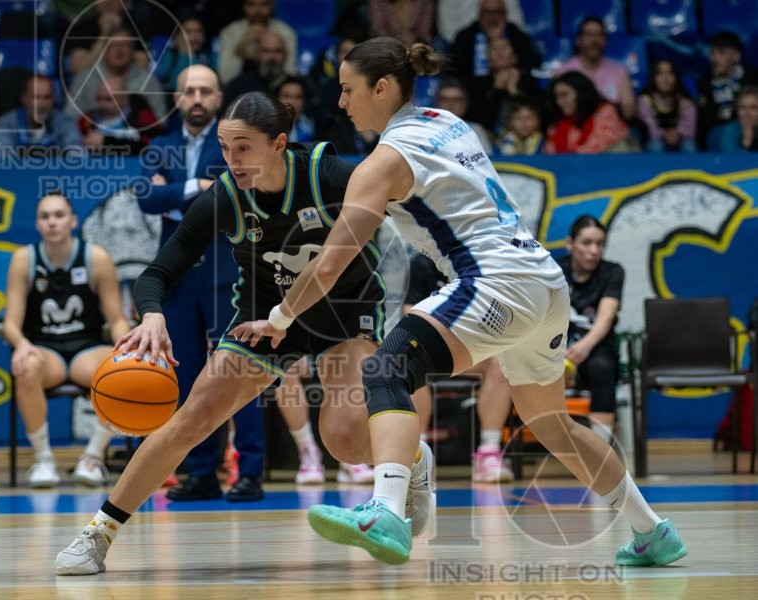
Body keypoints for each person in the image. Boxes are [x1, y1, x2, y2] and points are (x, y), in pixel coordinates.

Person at [231, 37, 687, 567]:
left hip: (494, 280)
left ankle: (386, 510)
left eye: (347, 89)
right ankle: (652, 531)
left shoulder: (381, 164)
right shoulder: (446, 120)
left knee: (386, 369)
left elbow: (330, 263)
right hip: (543, 278)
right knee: (550, 422)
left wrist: (281, 317)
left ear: (381, 88)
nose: (340, 102)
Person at [54, 91, 434, 575]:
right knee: (189, 421)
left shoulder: (328, 176)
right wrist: (152, 314)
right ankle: (98, 535)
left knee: (343, 441)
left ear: (278, 144)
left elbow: (406, 194)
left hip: (344, 316)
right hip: (264, 321)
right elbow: (157, 274)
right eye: (224, 148)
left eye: (243, 148)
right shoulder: (227, 196)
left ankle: (412, 459)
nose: (231, 160)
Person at [136, 65, 267, 502]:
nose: (195, 98)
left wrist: (173, 189)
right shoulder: (160, 146)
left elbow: (237, 190)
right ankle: (200, 473)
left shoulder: (232, 143)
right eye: (188, 90)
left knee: (240, 370)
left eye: (204, 91)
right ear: (177, 97)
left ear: (218, 98)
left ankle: (248, 471)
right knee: (185, 374)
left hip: (228, 271)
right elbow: (147, 198)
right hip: (178, 276)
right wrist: (197, 185)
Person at [3, 192, 130, 488]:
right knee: (25, 366)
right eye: (45, 216)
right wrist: (21, 345)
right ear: (37, 224)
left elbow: (117, 320)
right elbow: (10, 324)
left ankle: (93, 456)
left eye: (58, 215)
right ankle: (43, 459)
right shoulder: (24, 260)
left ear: (72, 221)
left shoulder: (96, 258)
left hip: (86, 348)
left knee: (121, 369)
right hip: (45, 350)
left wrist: (125, 346)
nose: (52, 222)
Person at [403, 253, 514, 483]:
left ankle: (489, 452)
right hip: (433, 347)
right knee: (408, 362)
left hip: (471, 349)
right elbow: (408, 311)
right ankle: (419, 456)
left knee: (502, 362)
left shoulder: (480, 262)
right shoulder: (421, 263)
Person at [558, 216, 625, 443]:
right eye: (587, 243)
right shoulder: (553, 271)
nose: (594, 250)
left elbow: (606, 317)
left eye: (600, 244)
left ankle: (600, 451)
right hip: (556, 346)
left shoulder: (612, 272)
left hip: (596, 346)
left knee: (602, 367)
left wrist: (583, 347)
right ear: (570, 244)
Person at [276, 357, 374, 485]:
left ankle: (350, 455)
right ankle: (308, 450)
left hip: (331, 350)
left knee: (350, 362)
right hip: (303, 349)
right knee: (286, 366)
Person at [554, 17, 636, 121]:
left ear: (605, 40)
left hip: (609, 130)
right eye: (588, 35)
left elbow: (629, 112)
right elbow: (556, 112)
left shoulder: (619, 72)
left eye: (599, 35)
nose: (594, 40)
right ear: (578, 40)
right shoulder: (562, 72)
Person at [0, 73, 83, 154]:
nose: (42, 104)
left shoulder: (64, 122)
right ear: (24, 98)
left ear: (53, 100)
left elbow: (77, 155)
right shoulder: (7, 124)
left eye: (47, 97)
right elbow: (3, 161)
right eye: (36, 98)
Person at [544, 71, 632, 154]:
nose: (559, 102)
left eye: (564, 95)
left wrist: (569, 163)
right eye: (556, 97)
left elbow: (600, 145)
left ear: (581, 92)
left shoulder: (605, 111)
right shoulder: (558, 122)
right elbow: (550, 153)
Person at [696, 31, 758, 148]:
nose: (714, 58)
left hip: (754, 126)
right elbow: (706, 119)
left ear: (736, 56)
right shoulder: (705, 82)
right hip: (719, 131)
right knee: (728, 131)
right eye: (712, 52)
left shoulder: (752, 77)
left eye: (721, 52)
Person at [77, 76, 163, 156]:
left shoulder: (143, 117)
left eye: (109, 99)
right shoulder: (86, 121)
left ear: (125, 99)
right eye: (99, 99)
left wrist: (106, 142)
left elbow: (153, 147)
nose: (102, 105)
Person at [216, 0, 297, 84]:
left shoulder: (286, 32)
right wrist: (244, 43)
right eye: (252, 4)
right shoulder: (230, 32)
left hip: (277, 88)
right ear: (244, 7)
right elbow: (225, 77)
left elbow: (290, 73)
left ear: (272, 6)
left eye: (264, 4)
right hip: (240, 88)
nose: (258, 10)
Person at [636, 60, 697, 153]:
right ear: (653, 77)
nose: (666, 78)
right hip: (654, 141)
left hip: (679, 140)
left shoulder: (685, 102)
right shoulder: (645, 101)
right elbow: (648, 128)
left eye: (670, 73)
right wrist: (664, 134)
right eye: (660, 73)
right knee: (656, 146)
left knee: (689, 146)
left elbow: (690, 129)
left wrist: (678, 133)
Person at [708, 86, 758, 152]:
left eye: (753, 107)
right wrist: (746, 141)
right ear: (737, 110)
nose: (747, 113)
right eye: (743, 107)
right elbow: (732, 157)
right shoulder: (729, 130)